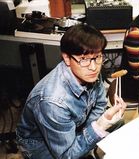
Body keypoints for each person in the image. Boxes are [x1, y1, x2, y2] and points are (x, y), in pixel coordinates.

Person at [16, 24, 127, 159]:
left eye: (98, 57)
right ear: (67, 58)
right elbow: (66, 155)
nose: (93, 67)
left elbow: (98, 105)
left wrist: (93, 130)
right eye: (83, 59)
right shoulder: (52, 101)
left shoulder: (90, 71)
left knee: (118, 123)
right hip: (39, 144)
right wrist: (99, 126)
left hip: (74, 126)